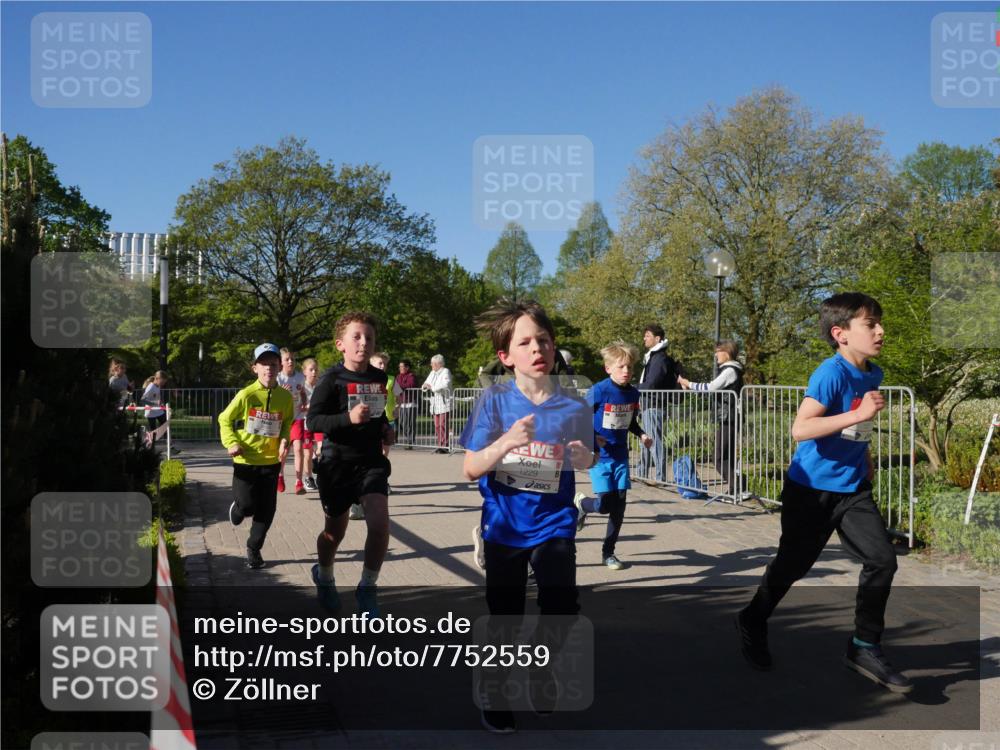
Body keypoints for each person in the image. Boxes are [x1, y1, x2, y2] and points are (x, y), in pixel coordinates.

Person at [735, 292, 912, 694]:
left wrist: (863, 451)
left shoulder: (872, 373)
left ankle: (864, 646)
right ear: (841, 334)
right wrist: (859, 415)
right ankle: (753, 618)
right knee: (792, 566)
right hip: (811, 491)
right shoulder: (829, 373)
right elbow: (801, 429)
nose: (881, 330)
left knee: (883, 560)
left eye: (879, 322)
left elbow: (853, 426)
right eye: (871, 324)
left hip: (852, 488)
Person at [460, 299, 596, 733]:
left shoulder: (574, 407)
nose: (537, 348)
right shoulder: (494, 402)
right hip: (505, 523)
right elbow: (470, 468)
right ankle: (495, 690)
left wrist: (582, 456)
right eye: (525, 342)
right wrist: (506, 443)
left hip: (554, 521)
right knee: (506, 614)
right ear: (506, 357)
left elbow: (587, 457)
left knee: (561, 606)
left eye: (544, 340)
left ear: (554, 349)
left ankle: (541, 669)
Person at [307, 312, 395, 618]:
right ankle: (325, 576)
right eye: (356, 337)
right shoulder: (331, 379)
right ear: (340, 344)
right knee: (334, 533)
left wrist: (386, 429)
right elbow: (313, 420)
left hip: (370, 463)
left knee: (380, 525)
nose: (363, 343)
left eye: (369, 338)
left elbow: (378, 413)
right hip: (337, 465)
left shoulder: (379, 378)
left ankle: (367, 588)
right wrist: (347, 419)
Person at [575, 341, 653, 570]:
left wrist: (641, 434)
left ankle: (608, 553)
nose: (626, 371)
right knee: (604, 505)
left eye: (629, 367)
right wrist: (591, 438)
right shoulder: (599, 390)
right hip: (599, 456)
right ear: (608, 368)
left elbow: (629, 422)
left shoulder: (633, 393)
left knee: (619, 507)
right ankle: (582, 505)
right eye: (621, 367)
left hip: (620, 456)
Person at [218, 344, 294, 569]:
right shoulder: (246, 394)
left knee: (267, 509)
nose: (269, 369)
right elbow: (224, 419)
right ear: (255, 368)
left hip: (271, 462)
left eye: (273, 364)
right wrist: (231, 443)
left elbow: (288, 422)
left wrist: (284, 440)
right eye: (264, 364)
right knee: (248, 505)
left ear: (279, 367)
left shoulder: (285, 397)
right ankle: (239, 508)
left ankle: (254, 548)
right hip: (245, 460)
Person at [678, 340, 745, 497]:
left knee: (719, 457)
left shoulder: (730, 370)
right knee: (725, 456)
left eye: (718, 351)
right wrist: (689, 387)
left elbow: (711, 387)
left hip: (729, 417)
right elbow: (711, 390)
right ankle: (736, 488)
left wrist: (688, 383)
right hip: (728, 417)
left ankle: (739, 488)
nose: (715, 354)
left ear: (726, 353)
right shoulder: (730, 369)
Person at [636, 324, 679, 483]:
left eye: (647, 335)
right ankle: (642, 473)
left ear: (657, 338)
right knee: (646, 440)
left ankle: (660, 477)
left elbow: (652, 383)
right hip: (649, 404)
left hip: (654, 404)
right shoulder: (654, 357)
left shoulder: (659, 359)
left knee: (654, 441)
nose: (644, 338)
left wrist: (634, 388)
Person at [277, 348, 308, 495]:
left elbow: (302, 393)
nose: (290, 362)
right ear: (281, 362)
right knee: (283, 451)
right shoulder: (277, 379)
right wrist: (280, 392)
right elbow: (272, 399)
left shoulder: (300, 377)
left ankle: (299, 482)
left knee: (298, 448)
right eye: (287, 359)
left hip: (297, 417)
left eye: (293, 359)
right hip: (282, 420)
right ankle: (280, 476)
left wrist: (303, 402)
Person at [422, 354, 452, 453]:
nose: (431, 365)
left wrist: (433, 387)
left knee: (443, 424)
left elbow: (445, 384)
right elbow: (426, 383)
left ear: (438, 364)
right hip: (435, 403)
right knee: (437, 426)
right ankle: (440, 445)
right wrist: (426, 386)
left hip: (444, 402)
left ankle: (445, 446)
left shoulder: (445, 371)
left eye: (432, 364)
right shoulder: (432, 372)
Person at [300, 357, 321, 492]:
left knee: (322, 448)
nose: (314, 372)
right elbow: (300, 406)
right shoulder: (301, 386)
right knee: (307, 452)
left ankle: (318, 465)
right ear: (305, 372)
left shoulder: (320, 385)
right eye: (311, 369)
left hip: (319, 422)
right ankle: (308, 477)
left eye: (316, 370)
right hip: (305, 422)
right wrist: (308, 406)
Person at [395, 359, 418, 449]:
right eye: (399, 367)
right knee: (402, 423)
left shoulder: (411, 376)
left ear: (407, 367)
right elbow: (395, 386)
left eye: (402, 366)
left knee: (410, 423)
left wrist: (400, 386)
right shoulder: (398, 376)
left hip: (411, 403)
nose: (400, 368)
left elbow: (410, 385)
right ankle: (407, 439)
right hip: (401, 403)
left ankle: (410, 442)